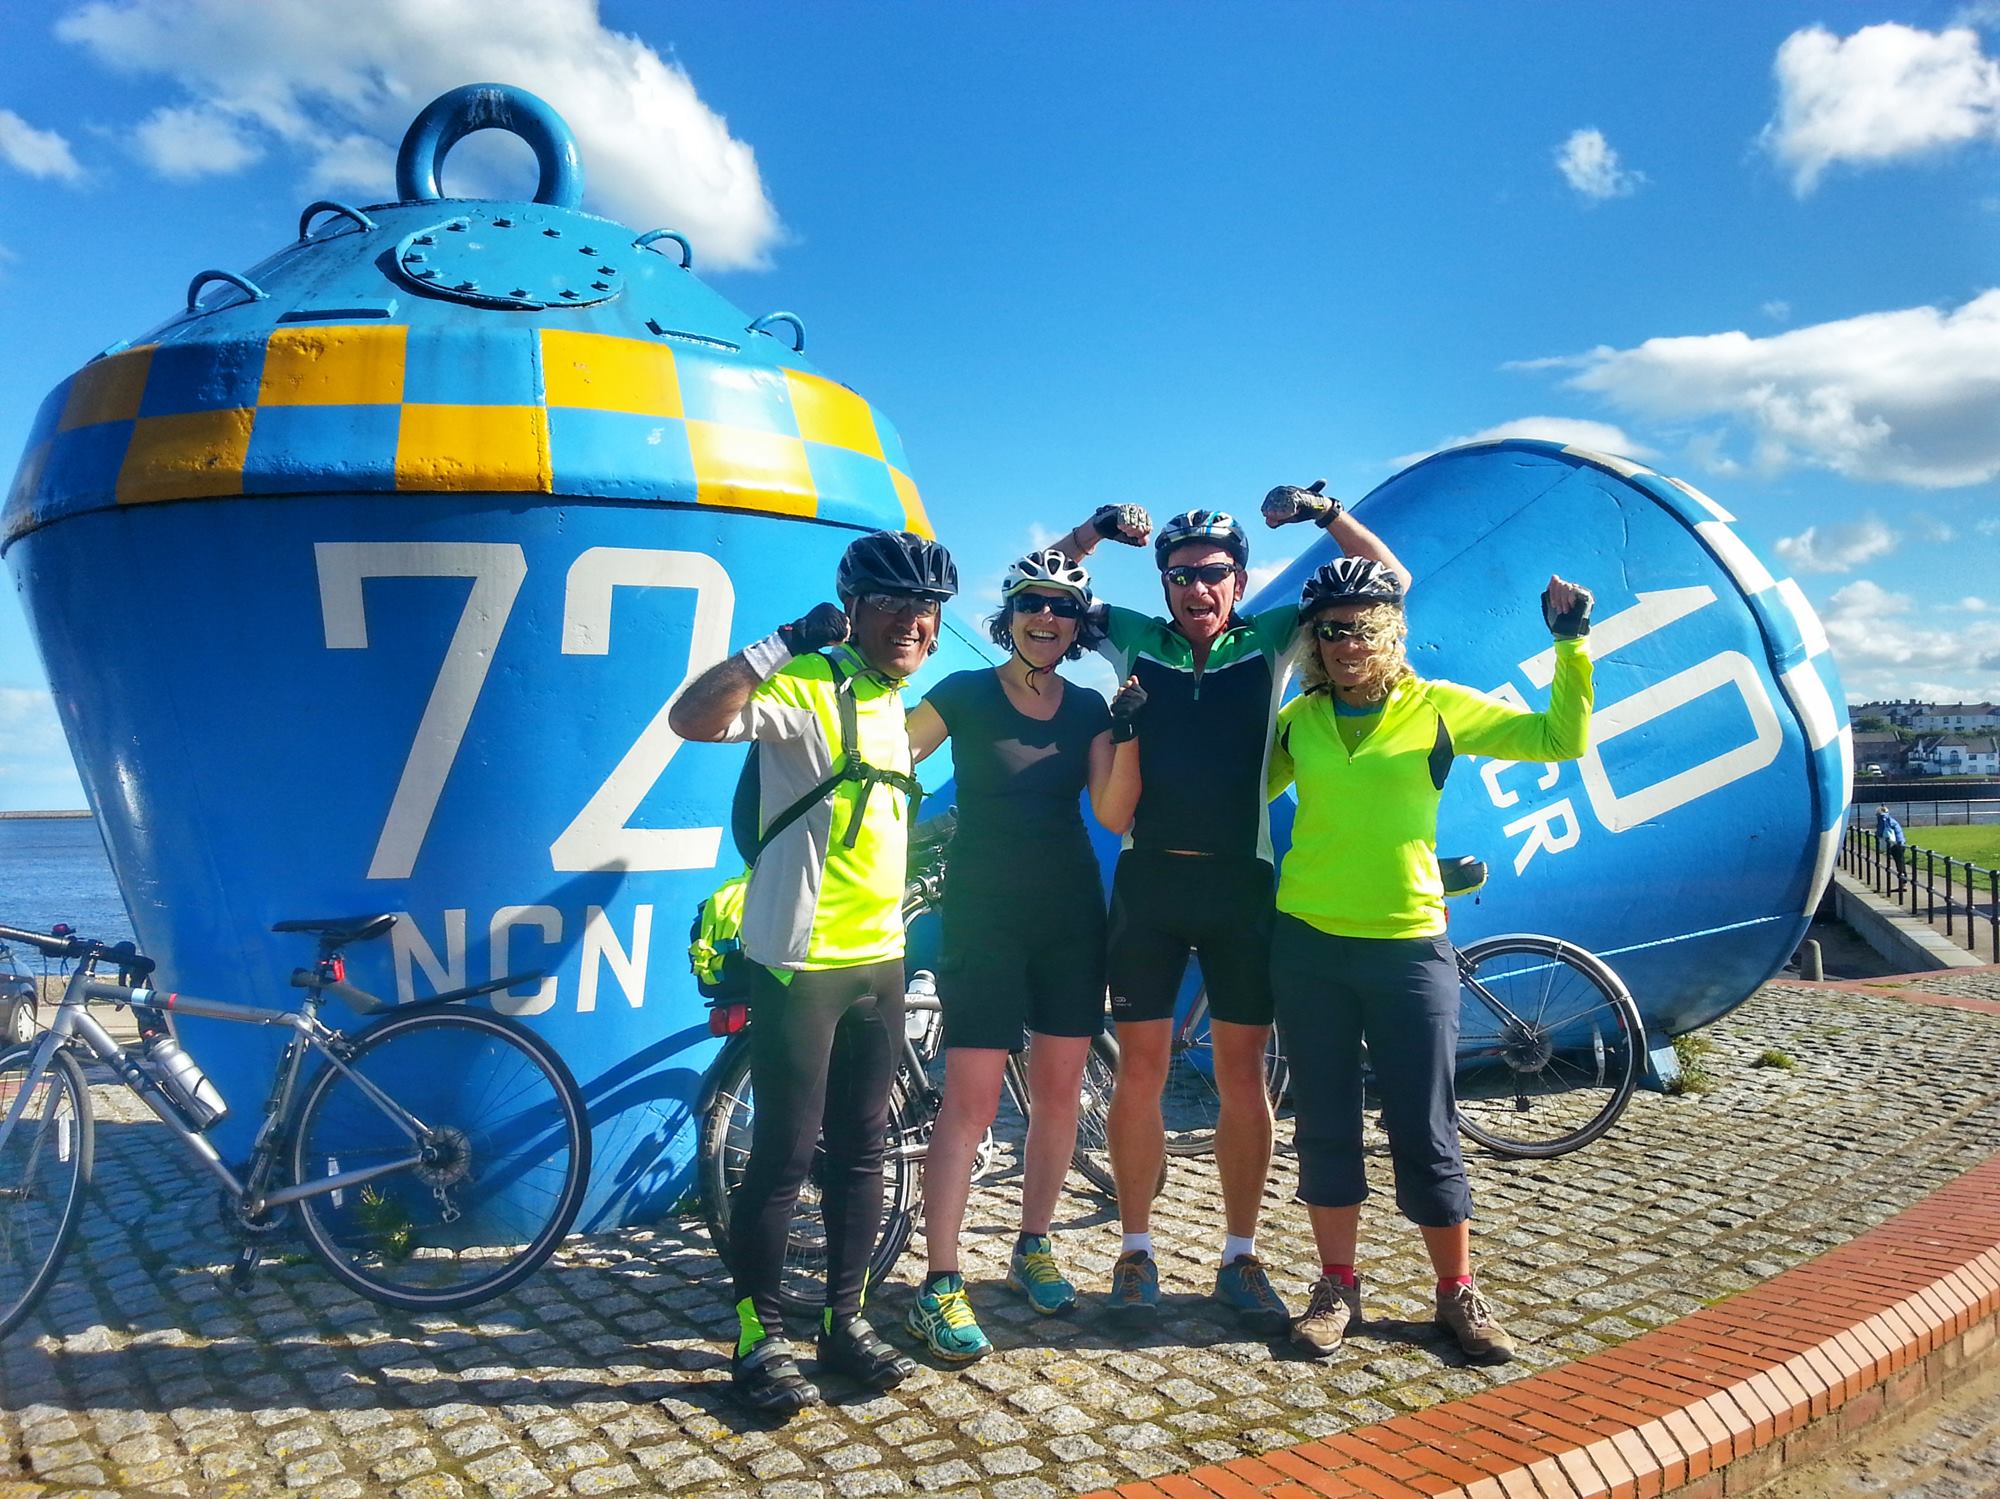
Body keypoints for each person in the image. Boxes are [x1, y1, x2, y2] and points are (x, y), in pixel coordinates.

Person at [1052, 485, 1405, 1329]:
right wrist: (1095, 530)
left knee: (1242, 1078)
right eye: (1180, 575)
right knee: (1140, 1072)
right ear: (1165, 584)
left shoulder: (1273, 636)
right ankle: (1135, 1250)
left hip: (1241, 887)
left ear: (1239, 580)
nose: (1197, 588)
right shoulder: (1135, 637)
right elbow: (1049, 585)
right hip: (1150, 885)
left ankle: (1240, 1257)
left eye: (1213, 573)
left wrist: (1325, 514)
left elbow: (1390, 581)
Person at [1266, 555, 1594, 1364]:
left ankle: (1457, 1291)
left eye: (1362, 627)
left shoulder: (1436, 707)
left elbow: (1560, 737)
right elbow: (1228, 793)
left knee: (1425, 1121)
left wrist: (1570, 643)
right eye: (1330, 630)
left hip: (1408, 945)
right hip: (1309, 943)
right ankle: (1337, 1287)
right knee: (1326, 1122)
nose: (1346, 643)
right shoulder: (1298, 720)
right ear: (1314, 641)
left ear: (1390, 630)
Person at [668, 529, 957, 1416]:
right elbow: (692, 719)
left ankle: (843, 1320)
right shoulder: (806, 682)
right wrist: (783, 640)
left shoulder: (896, 705)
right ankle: (757, 1338)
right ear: (854, 607)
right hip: (798, 961)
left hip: (879, 961)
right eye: (894, 603)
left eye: (927, 608)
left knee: (863, 1151)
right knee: (784, 1157)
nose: (913, 621)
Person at [898, 549, 1145, 1360]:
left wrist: (1129, 731)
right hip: (985, 920)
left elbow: (1112, 814)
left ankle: (1032, 1244)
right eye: (1033, 602)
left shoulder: (1087, 708)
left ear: (1077, 626)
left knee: (1059, 1096)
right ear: (1008, 614)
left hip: (1070, 917)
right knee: (969, 1104)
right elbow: (890, 752)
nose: (1048, 616)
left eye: (1064, 606)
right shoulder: (964, 692)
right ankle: (940, 1280)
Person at [1875, 806, 1908, 894]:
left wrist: (1877, 834)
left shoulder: (1883, 819)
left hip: (1895, 844)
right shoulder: (1891, 819)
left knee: (1899, 864)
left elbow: (1881, 831)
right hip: (1900, 842)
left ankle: (1903, 884)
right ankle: (1903, 883)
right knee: (1901, 863)